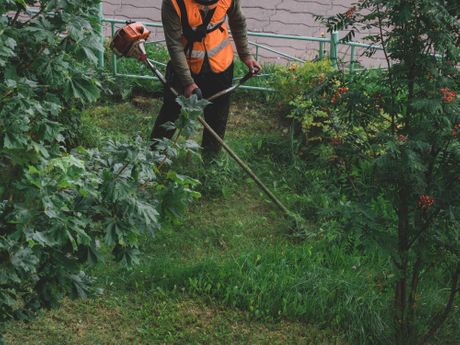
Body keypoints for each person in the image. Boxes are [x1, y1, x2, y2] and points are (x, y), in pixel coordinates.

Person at [151, 0, 261, 160]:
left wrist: (246, 55)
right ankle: (152, 158)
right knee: (170, 112)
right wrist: (188, 82)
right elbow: (174, 43)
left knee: (217, 116)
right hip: (185, 67)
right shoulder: (173, 3)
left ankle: (211, 161)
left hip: (220, 66)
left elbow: (238, 21)